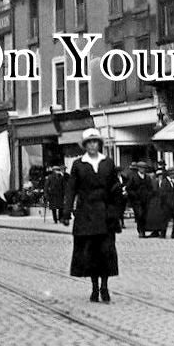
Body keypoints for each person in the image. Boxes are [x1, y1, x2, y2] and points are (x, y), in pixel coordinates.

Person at [61, 128, 122, 303]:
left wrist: (116, 210)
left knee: (106, 252)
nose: (93, 145)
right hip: (86, 215)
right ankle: (95, 287)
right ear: (85, 146)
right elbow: (71, 190)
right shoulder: (79, 165)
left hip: (105, 215)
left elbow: (115, 188)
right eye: (89, 143)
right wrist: (66, 213)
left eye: (95, 142)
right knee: (91, 254)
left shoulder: (108, 163)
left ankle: (105, 286)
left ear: (99, 144)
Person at [147, 164, 174, 238]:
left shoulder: (167, 182)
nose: (160, 176)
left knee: (167, 219)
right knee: (163, 219)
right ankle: (160, 232)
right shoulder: (156, 182)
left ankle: (167, 233)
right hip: (159, 202)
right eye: (159, 175)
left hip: (165, 202)